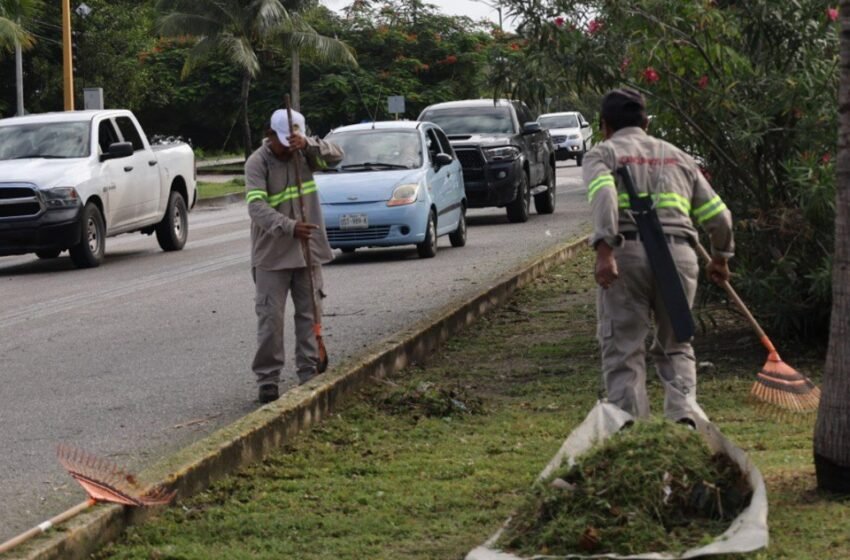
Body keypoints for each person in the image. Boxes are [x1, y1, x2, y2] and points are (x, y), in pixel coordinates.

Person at [583, 88, 734, 425]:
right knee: (677, 344)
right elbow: (719, 216)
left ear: (604, 125)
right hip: (679, 257)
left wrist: (604, 250)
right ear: (646, 122)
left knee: (624, 349)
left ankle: (630, 432)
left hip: (627, 256)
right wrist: (720, 257)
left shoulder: (602, 154)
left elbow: (605, 197)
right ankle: (685, 424)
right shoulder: (679, 157)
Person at [244, 108, 344, 404]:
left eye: (294, 141)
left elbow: (337, 156)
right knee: (270, 320)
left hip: (307, 253)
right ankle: (268, 379)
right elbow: (256, 207)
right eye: (284, 141)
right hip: (272, 256)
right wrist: (288, 227)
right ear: (270, 135)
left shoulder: (305, 153)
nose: (289, 147)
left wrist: (310, 145)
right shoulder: (257, 163)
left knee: (311, 314)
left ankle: (308, 372)